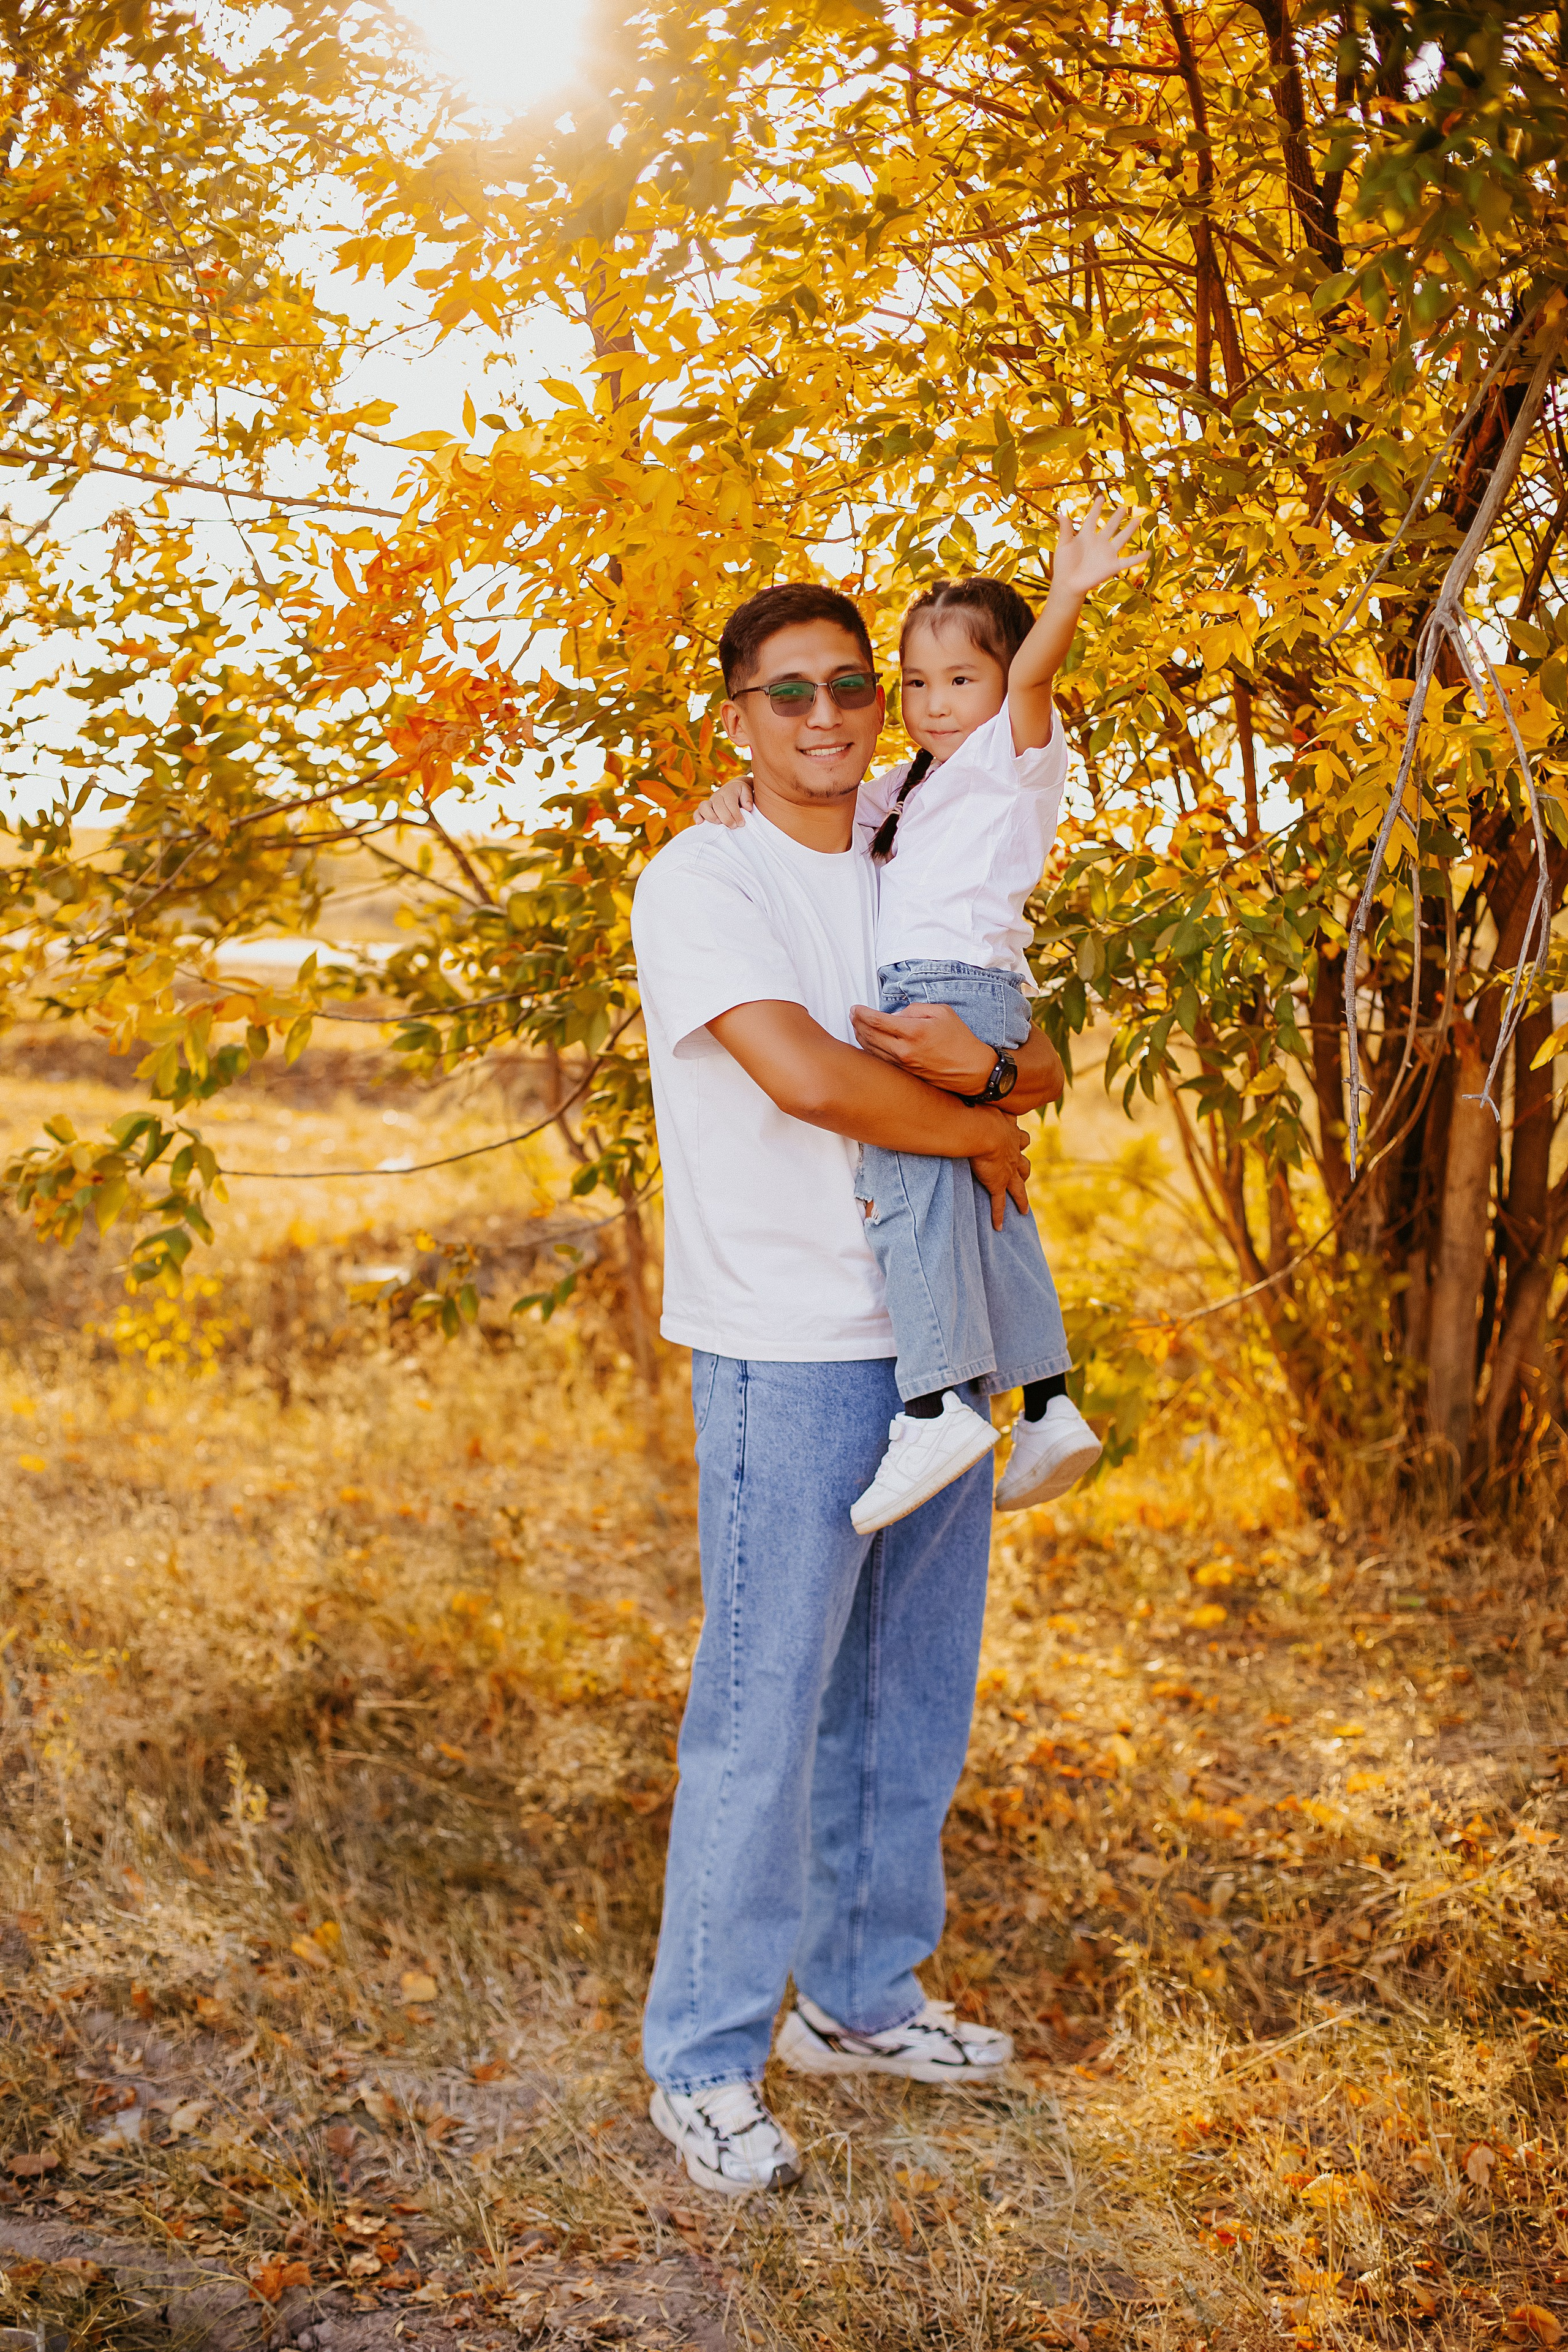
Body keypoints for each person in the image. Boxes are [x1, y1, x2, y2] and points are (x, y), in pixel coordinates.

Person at [630, 581, 1065, 2196]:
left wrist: (1001, 1082)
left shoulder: (917, 838)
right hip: (788, 1353)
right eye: (789, 692)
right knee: (760, 1720)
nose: (826, 718)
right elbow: (811, 1080)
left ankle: (863, 2004)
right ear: (734, 716)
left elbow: (1038, 1051)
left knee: (907, 1706)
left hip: (934, 1339)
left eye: (851, 690)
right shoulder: (704, 879)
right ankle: (705, 2061)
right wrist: (985, 1124)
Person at [696, 502, 1144, 1532]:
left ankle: (940, 1401)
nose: (937, 705)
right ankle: (1047, 1400)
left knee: (902, 1173)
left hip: (955, 983)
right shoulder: (912, 784)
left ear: (1002, 683)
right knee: (981, 1201)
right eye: (915, 683)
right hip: (946, 988)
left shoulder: (1011, 755)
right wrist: (729, 791)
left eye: (963, 679)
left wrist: (1068, 595)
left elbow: (1035, 677)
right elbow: (801, 785)